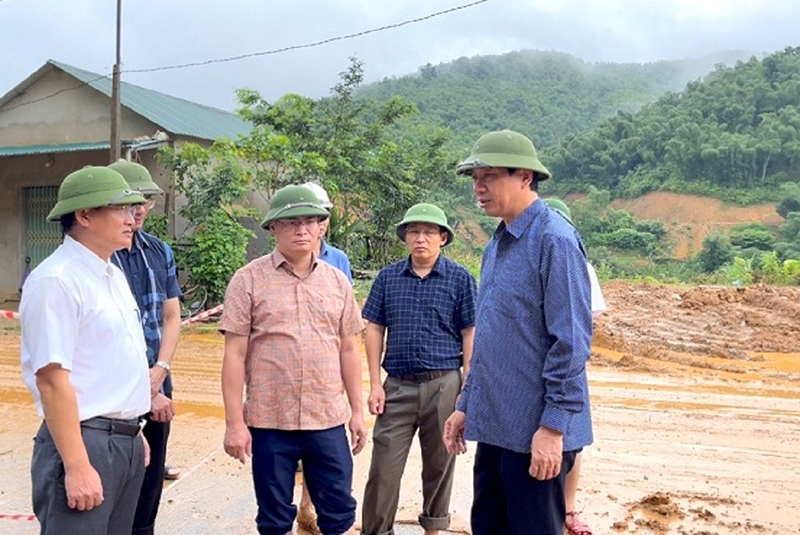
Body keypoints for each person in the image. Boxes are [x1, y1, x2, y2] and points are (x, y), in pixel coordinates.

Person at [443, 130, 594, 535]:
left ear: (524, 176)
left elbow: (573, 342)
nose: (478, 188)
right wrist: (465, 405)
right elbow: (491, 339)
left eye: (489, 176)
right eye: (475, 178)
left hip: (534, 432)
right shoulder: (497, 244)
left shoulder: (554, 240)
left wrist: (552, 427)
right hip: (495, 427)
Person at [219, 184, 367, 535]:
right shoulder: (248, 280)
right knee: (273, 516)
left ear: (322, 227)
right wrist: (234, 423)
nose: (301, 230)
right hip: (270, 421)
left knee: (338, 511)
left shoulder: (338, 282)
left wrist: (358, 412)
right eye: (290, 222)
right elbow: (235, 354)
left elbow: (349, 348)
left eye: (309, 221)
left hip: (327, 418)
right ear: (272, 227)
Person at [20, 166, 151, 534]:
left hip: (121, 441)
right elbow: (51, 380)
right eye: (121, 209)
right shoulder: (57, 280)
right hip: (84, 442)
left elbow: (111, 365)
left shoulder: (110, 275)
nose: (132, 218)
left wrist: (133, 432)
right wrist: (77, 465)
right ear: (84, 215)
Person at [360, 203, 477, 535]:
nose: (421, 239)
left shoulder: (460, 278)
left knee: (440, 464)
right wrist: (375, 384)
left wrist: (468, 384)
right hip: (396, 385)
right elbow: (374, 328)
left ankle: (433, 530)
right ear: (405, 237)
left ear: (442, 237)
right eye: (414, 231)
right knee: (383, 468)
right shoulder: (388, 278)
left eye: (428, 232)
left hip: (444, 384)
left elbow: (470, 331)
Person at [108, 160, 182, 535]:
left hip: (157, 379)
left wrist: (160, 371)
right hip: (111, 388)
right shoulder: (98, 255)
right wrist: (142, 385)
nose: (137, 209)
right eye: (128, 201)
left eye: (145, 200)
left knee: (152, 477)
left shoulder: (159, 251)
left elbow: (172, 317)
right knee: (111, 478)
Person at [543, 197, 608, 535]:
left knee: (571, 440)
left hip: (568, 369)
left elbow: (582, 324)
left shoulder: (575, 260)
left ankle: (568, 508)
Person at [296, 181, 356, 535]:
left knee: (321, 450)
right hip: (289, 374)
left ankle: (310, 507)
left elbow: (345, 323)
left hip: (328, 369)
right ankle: (301, 507)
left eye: (319, 216)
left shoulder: (338, 261)